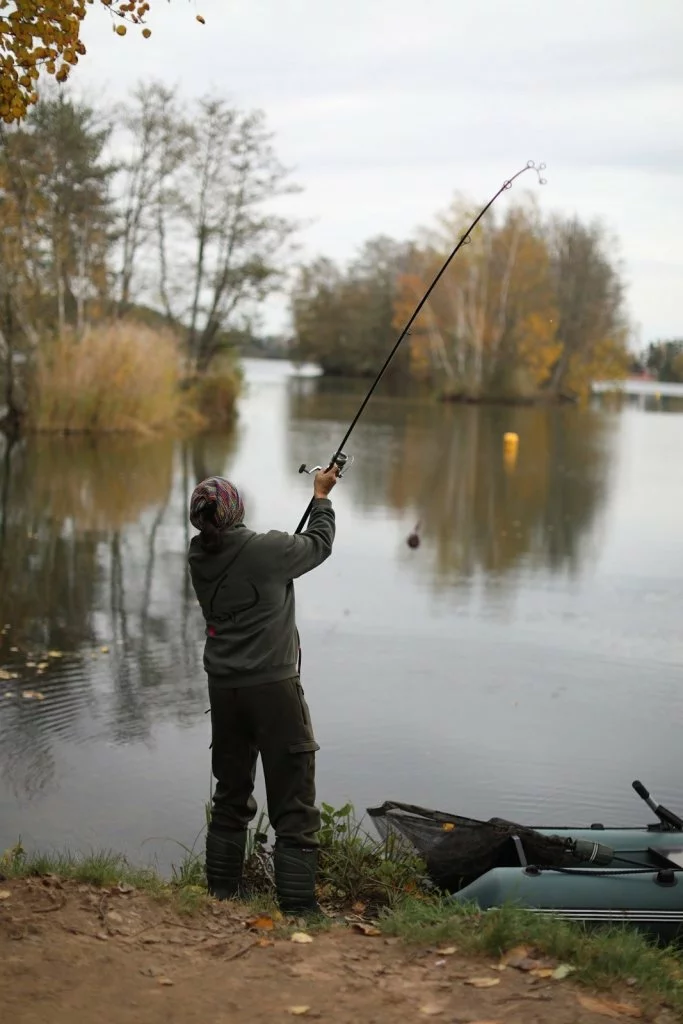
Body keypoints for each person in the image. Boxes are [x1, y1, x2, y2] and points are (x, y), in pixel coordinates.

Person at [187, 466, 339, 915]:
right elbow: (319, 543)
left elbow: (251, 563)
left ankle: (221, 895)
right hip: (274, 690)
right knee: (294, 799)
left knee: (231, 793)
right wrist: (322, 496)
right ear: (236, 510)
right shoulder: (267, 549)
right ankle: (299, 908)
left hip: (225, 691)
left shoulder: (199, 556)